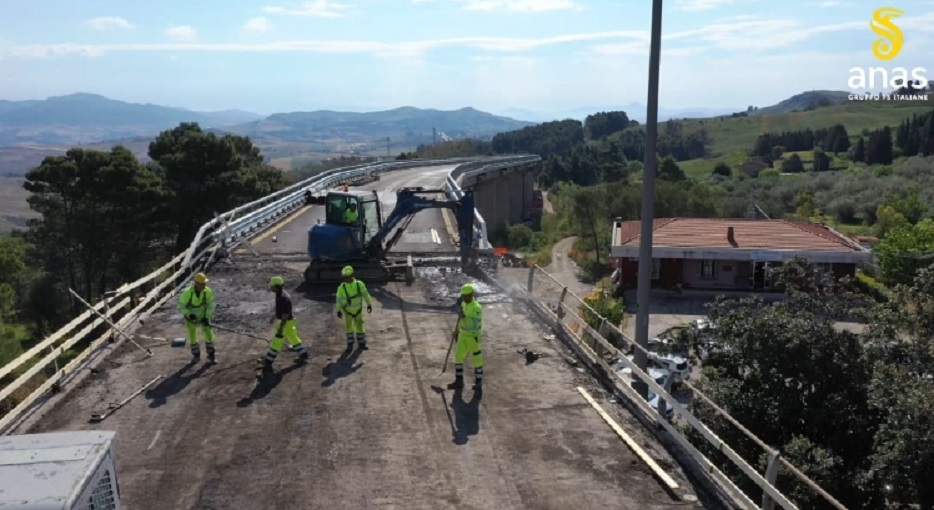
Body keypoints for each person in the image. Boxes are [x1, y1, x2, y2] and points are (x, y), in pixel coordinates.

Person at [262, 276, 309, 373]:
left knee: (276, 343)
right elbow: (281, 310)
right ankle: (304, 355)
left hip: (285, 323)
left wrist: (281, 328)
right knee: (293, 338)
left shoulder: (283, 298)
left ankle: (268, 362)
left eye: (272, 286)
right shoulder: (281, 294)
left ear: (277, 286)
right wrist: (274, 316)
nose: (270, 288)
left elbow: (285, 314)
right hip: (289, 322)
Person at [448, 284, 483, 391]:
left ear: (471, 295)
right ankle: (459, 381)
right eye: (463, 296)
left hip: (473, 337)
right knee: (458, 357)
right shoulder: (463, 303)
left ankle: (478, 382)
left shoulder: (477, 308)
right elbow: (460, 320)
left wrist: (464, 317)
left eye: (466, 296)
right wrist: (457, 331)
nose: (464, 298)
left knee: (477, 360)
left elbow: (474, 324)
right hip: (463, 336)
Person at [178, 272, 217, 364]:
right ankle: (196, 356)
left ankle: (211, 355)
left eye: (204, 283)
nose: (204, 285)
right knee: (193, 336)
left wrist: (207, 317)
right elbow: (181, 306)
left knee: (209, 335)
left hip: (203, 316)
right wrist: (189, 314)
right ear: (197, 283)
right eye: (202, 283)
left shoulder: (207, 291)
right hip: (191, 318)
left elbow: (210, 305)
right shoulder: (187, 293)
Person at [335, 266, 372, 350]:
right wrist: (338, 310)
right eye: (344, 277)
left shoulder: (359, 284)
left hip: (358, 311)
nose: (345, 279)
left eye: (347, 277)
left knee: (360, 326)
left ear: (352, 275)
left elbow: (365, 294)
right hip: (347, 311)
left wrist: (369, 303)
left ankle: (361, 343)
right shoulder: (341, 287)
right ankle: (350, 344)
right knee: (348, 327)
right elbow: (339, 300)